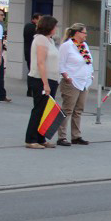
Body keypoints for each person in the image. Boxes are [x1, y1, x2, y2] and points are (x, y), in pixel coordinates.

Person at [24, 15, 60, 149]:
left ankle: (41, 137)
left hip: (52, 78)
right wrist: (45, 84)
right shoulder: (40, 40)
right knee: (39, 109)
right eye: (55, 26)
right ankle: (31, 139)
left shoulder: (49, 40)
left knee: (46, 110)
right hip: (40, 79)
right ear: (49, 27)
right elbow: (41, 62)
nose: (56, 28)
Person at [56, 23, 93, 146]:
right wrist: (66, 76)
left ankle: (76, 136)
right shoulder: (67, 46)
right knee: (67, 109)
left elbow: (88, 62)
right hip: (72, 82)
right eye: (84, 32)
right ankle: (61, 137)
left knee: (78, 110)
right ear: (77, 33)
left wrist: (90, 74)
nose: (86, 35)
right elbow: (61, 63)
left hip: (84, 82)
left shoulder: (84, 46)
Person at [23, 12, 39, 96]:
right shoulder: (31, 27)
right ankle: (30, 90)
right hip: (30, 52)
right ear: (34, 19)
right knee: (32, 71)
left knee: (31, 70)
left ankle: (31, 90)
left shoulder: (29, 26)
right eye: (39, 19)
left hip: (28, 52)